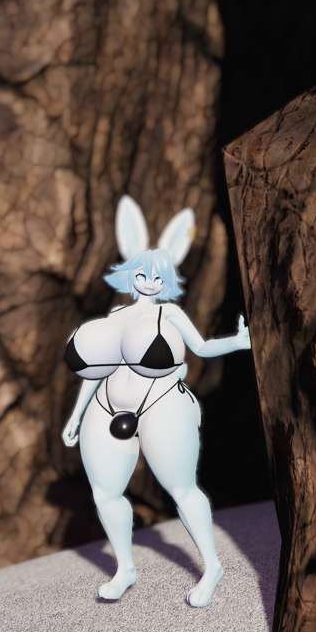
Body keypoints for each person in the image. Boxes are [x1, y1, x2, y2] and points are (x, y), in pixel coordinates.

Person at [62, 196, 251, 603]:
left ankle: (211, 566)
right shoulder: (115, 316)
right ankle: (125, 568)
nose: (148, 281)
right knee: (105, 493)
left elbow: (201, 348)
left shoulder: (171, 314)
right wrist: (76, 416)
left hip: (163, 405)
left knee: (182, 488)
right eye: (142, 273)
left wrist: (238, 342)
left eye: (156, 276)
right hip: (108, 409)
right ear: (129, 274)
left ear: (166, 280)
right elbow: (96, 368)